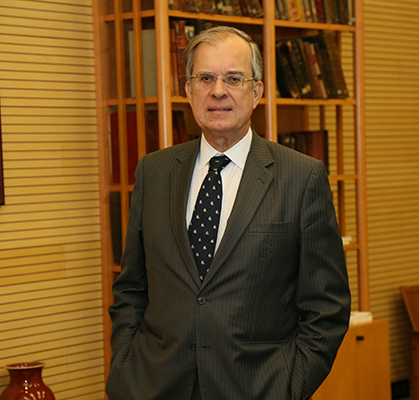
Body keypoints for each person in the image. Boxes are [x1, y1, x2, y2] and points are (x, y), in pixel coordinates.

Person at [106, 26, 351, 400]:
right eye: (205, 78)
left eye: (234, 79)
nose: (218, 91)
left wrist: (290, 384)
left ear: (257, 92)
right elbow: (132, 288)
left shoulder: (301, 178)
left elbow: (327, 307)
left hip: (257, 388)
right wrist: (126, 368)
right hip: (154, 386)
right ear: (189, 90)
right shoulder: (153, 171)